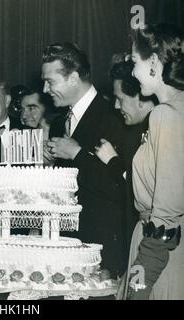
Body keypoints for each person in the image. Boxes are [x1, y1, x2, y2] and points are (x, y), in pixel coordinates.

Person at [43, 42, 127, 278]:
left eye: (50, 82)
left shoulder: (115, 116)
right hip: (64, 248)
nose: (45, 89)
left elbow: (118, 188)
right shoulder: (59, 123)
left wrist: (77, 155)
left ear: (73, 77)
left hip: (100, 251)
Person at [123, 23, 184, 300]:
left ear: (154, 63)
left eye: (135, 62)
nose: (133, 72)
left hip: (159, 253)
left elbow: (165, 217)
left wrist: (139, 283)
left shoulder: (165, 115)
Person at [94, 58, 157, 272]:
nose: (115, 105)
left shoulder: (162, 130)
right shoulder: (137, 130)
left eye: (120, 98)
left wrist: (113, 162)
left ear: (140, 96)